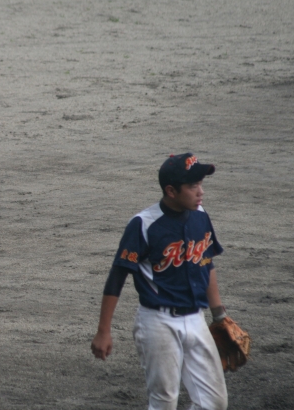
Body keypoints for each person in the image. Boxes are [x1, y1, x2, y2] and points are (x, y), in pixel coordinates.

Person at [91, 153, 229, 410]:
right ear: (171, 191)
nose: (200, 192)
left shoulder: (200, 216)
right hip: (158, 322)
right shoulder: (143, 224)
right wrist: (103, 330)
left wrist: (219, 314)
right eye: (193, 186)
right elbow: (117, 277)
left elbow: (206, 262)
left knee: (214, 402)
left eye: (201, 184)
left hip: (196, 319)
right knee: (164, 401)